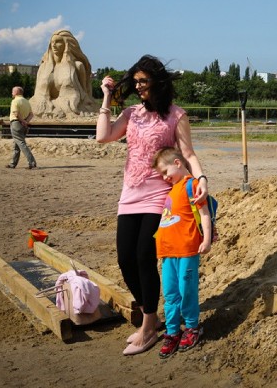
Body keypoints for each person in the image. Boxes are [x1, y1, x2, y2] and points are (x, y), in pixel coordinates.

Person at [96, 55, 209, 356]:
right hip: (130, 193)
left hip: (161, 195)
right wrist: (107, 99)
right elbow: (103, 136)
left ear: (158, 81)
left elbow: (188, 153)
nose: (138, 87)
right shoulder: (132, 113)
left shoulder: (175, 115)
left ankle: (148, 326)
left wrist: (202, 179)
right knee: (124, 257)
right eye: (135, 82)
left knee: (144, 255)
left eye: (143, 81)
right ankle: (152, 315)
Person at [151, 147, 212, 358]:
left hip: (187, 250)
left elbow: (204, 214)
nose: (165, 178)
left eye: (166, 172)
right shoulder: (171, 190)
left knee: (187, 290)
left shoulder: (191, 185)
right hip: (167, 253)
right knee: (170, 294)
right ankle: (172, 330)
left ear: (178, 163)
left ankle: (193, 327)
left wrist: (206, 239)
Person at [30, 29, 97, 118]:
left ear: (66, 44)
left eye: (58, 42)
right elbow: (38, 95)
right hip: (44, 107)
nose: (54, 45)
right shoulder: (43, 68)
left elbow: (85, 92)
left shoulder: (77, 66)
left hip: (72, 106)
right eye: (52, 42)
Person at [6, 86, 37, 169]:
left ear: (16, 92)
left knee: (21, 144)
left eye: (12, 91)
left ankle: (32, 163)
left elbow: (16, 113)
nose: (12, 93)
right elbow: (31, 114)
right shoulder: (27, 101)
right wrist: (26, 121)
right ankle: (13, 163)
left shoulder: (15, 101)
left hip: (16, 123)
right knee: (18, 144)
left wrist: (22, 121)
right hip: (23, 126)